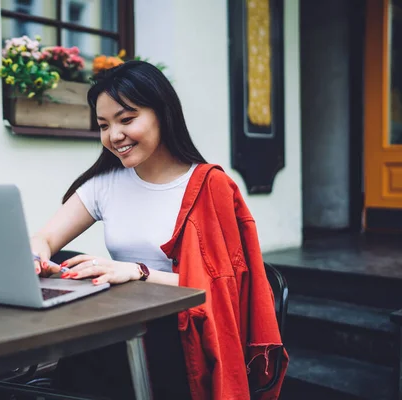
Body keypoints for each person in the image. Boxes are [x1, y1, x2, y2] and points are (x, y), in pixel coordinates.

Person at [30, 61, 287, 400]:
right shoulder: (104, 184)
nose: (114, 136)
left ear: (163, 114)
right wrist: (37, 257)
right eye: (103, 125)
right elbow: (46, 238)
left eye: (127, 119)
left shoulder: (210, 186)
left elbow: (223, 290)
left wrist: (138, 272)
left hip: (183, 338)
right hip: (121, 328)